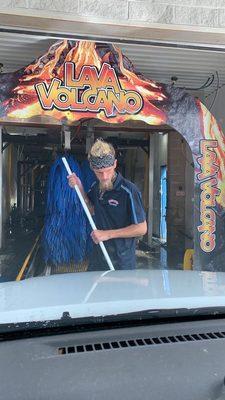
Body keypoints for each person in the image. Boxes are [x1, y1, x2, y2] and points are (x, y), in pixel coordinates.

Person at [68, 139, 147, 270]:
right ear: (92, 168)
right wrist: (80, 188)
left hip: (121, 263)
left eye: (108, 170)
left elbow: (141, 228)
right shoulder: (95, 187)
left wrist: (107, 234)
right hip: (98, 258)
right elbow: (92, 211)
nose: (104, 176)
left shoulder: (128, 191)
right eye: (99, 172)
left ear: (115, 164)